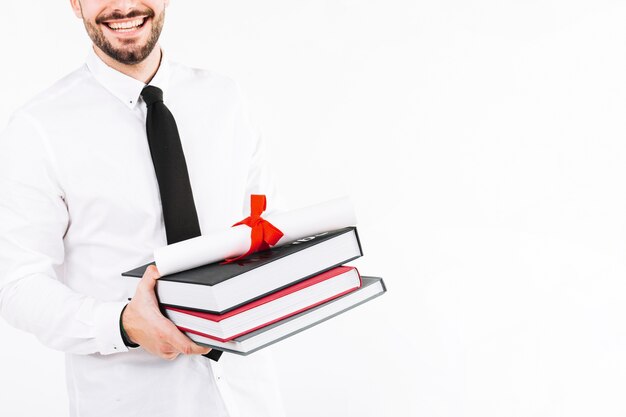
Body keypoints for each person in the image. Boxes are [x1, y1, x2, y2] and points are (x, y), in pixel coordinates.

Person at [0, 1, 285, 416]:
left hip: (248, 396)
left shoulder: (226, 99)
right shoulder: (37, 129)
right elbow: (17, 284)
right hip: (132, 402)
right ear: (75, 3)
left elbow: (265, 229)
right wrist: (122, 324)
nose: (124, 5)